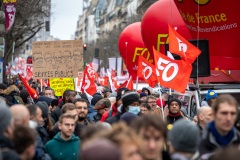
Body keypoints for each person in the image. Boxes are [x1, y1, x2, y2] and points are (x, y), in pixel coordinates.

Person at [199, 94, 240, 159]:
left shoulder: (238, 139)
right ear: (214, 114)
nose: (229, 118)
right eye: (224, 113)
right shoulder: (198, 141)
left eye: (233, 113)